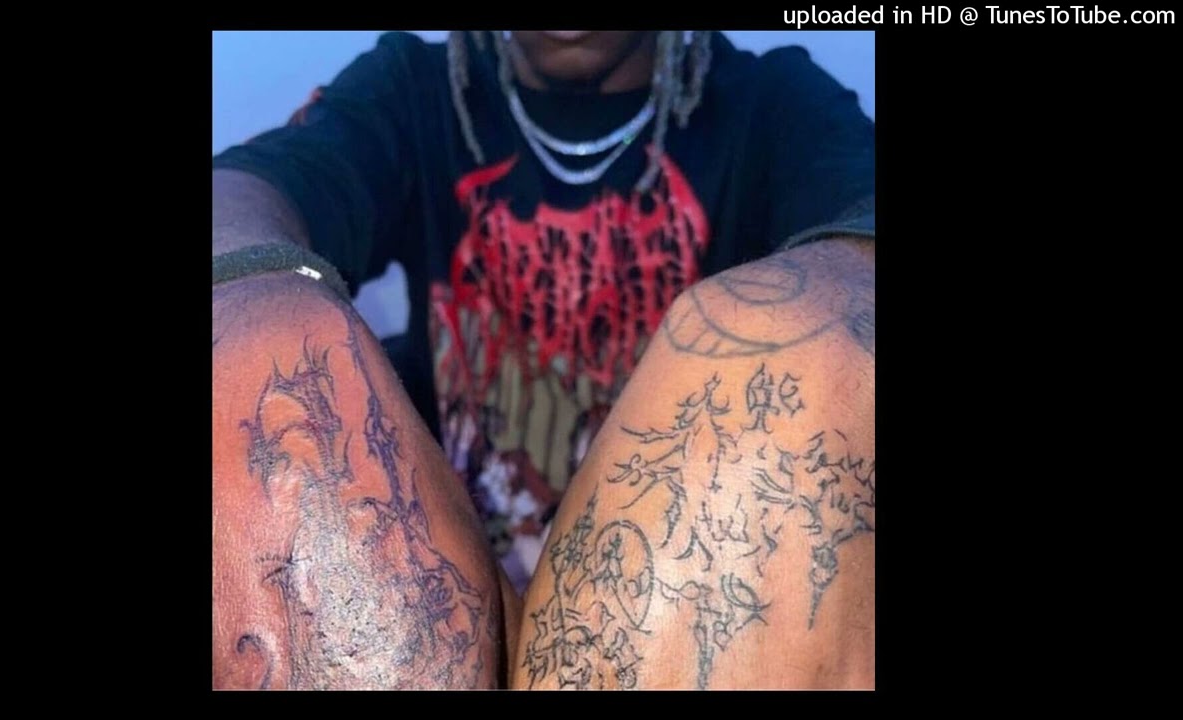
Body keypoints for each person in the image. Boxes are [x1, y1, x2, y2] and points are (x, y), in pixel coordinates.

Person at [212, 30, 874, 690]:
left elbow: (859, 209)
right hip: (441, 616)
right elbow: (252, 188)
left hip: (681, 597)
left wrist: (813, 318)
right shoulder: (415, 89)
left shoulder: (769, 103)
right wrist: (262, 300)